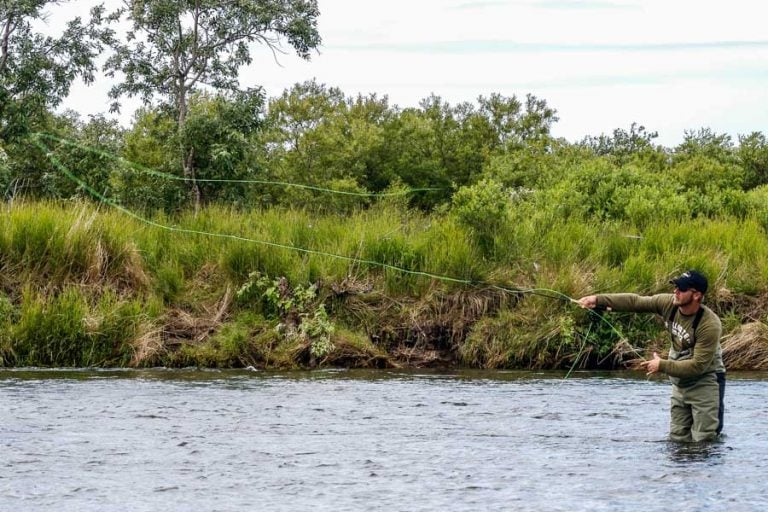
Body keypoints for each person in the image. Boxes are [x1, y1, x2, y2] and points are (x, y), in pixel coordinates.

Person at [577, 270, 726, 442]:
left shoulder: (709, 324)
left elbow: (698, 365)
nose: (675, 292)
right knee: (677, 439)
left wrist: (662, 365)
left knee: (705, 440)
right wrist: (597, 300)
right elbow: (635, 302)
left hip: (706, 382)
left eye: (682, 289)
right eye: (676, 287)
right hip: (680, 382)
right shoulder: (668, 303)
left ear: (697, 295)